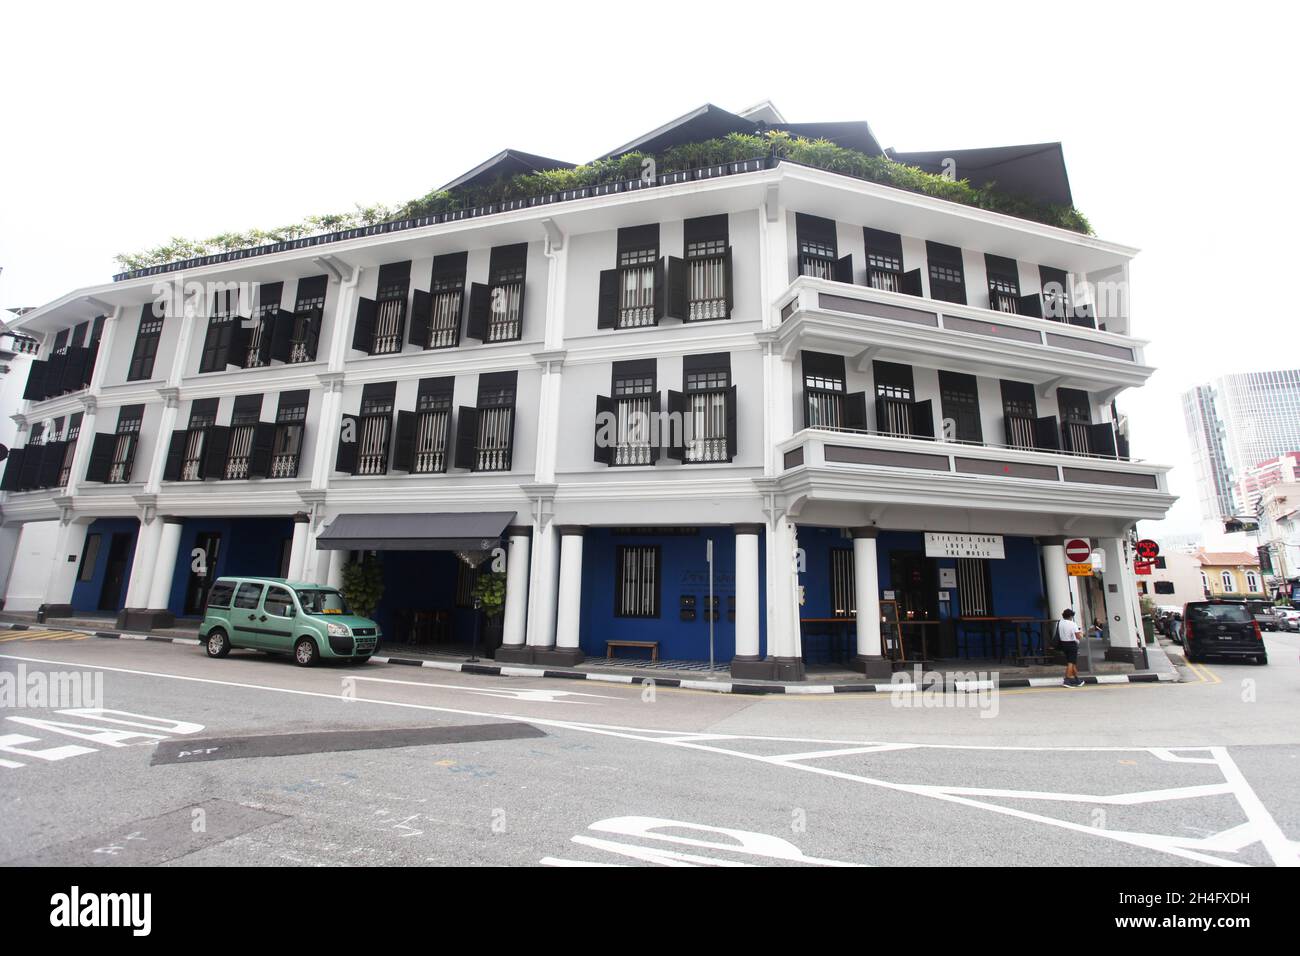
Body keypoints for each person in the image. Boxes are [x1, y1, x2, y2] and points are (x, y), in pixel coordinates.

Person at [1055, 608, 1083, 687]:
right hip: (1071, 644)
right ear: (1070, 616)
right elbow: (1078, 637)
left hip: (1063, 644)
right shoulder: (1072, 624)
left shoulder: (1060, 622)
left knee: (1072, 662)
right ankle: (1067, 680)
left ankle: (1077, 679)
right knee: (1071, 663)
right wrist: (1081, 634)